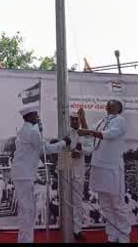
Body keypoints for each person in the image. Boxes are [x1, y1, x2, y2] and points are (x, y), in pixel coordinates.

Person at [10, 104, 70, 243]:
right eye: (36, 115)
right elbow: (45, 149)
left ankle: (25, 239)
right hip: (24, 175)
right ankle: (26, 240)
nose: (38, 117)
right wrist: (63, 143)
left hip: (23, 174)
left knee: (27, 209)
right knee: (28, 210)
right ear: (29, 116)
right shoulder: (32, 131)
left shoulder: (26, 130)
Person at [78, 99, 131, 243]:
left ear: (118, 107)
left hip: (112, 167)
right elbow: (90, 136)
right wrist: (83, 118)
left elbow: (109, 134)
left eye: (111, 102)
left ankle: (124, 236)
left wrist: (88, 131)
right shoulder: (101, 121)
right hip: (99, 166)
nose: (108, 103)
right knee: (105, 204)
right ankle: (112, 235)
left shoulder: (120, 120)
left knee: (117, 204)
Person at [68, 108, 95, 241]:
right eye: (71, 119)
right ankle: (65, 226)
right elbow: (59, 149)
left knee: (77, 201)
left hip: (78, 171)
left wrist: (81, 150)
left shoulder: (83, 133)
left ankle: (76, 230)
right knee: (64, 200)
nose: (74, 121)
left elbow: (90, 149)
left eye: (76, 119)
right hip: (65, 168)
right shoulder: (64, 131)